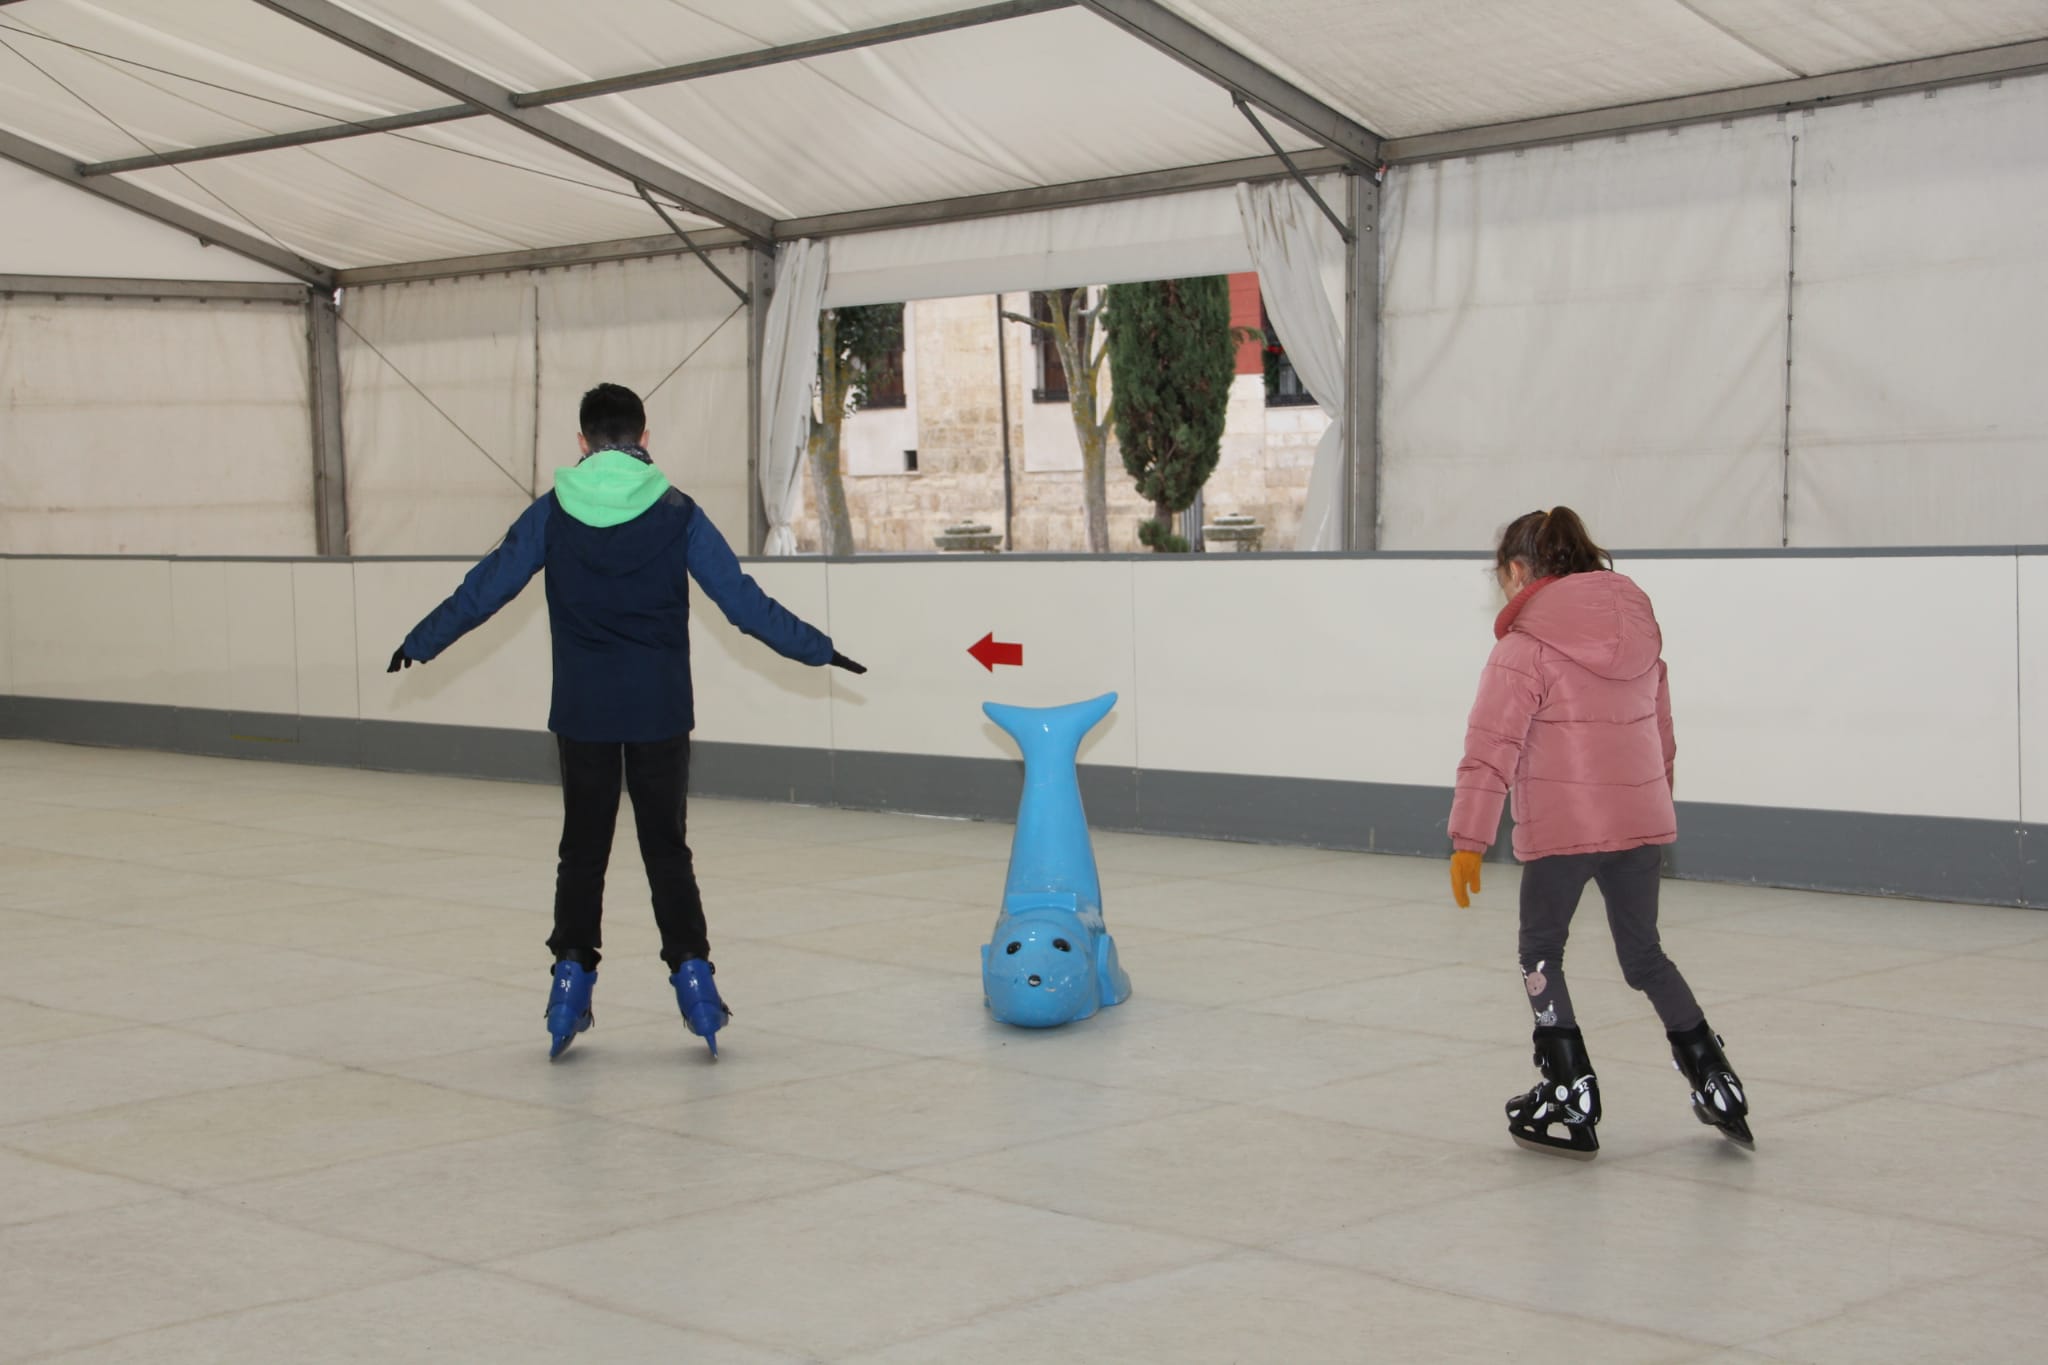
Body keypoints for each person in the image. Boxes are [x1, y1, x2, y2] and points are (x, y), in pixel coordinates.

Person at [389, 382, 864, 1061]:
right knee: (666, 848)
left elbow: (487, 588)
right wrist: (820, 649)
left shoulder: (552, 514)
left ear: (582, 442)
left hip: (582, 711)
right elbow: (744, 604)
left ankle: (569, 987)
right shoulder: (679, 513)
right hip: (661, 711)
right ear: (645, 437)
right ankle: (695, 982)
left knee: (582, 850)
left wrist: (421, 640)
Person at [1446, 507, 1749, 1157]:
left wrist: (1470, 839)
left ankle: (1567, 1086)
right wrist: (1652, 805)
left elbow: (1490, 746)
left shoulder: (1522, 648)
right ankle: (1715, 1076)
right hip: (1641, 824)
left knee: (1540, 954)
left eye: (1502, 575)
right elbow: (1662, 735)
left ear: (1521, 571)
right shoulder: (1642, 635)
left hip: (1564, 828)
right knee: (1645, 957)